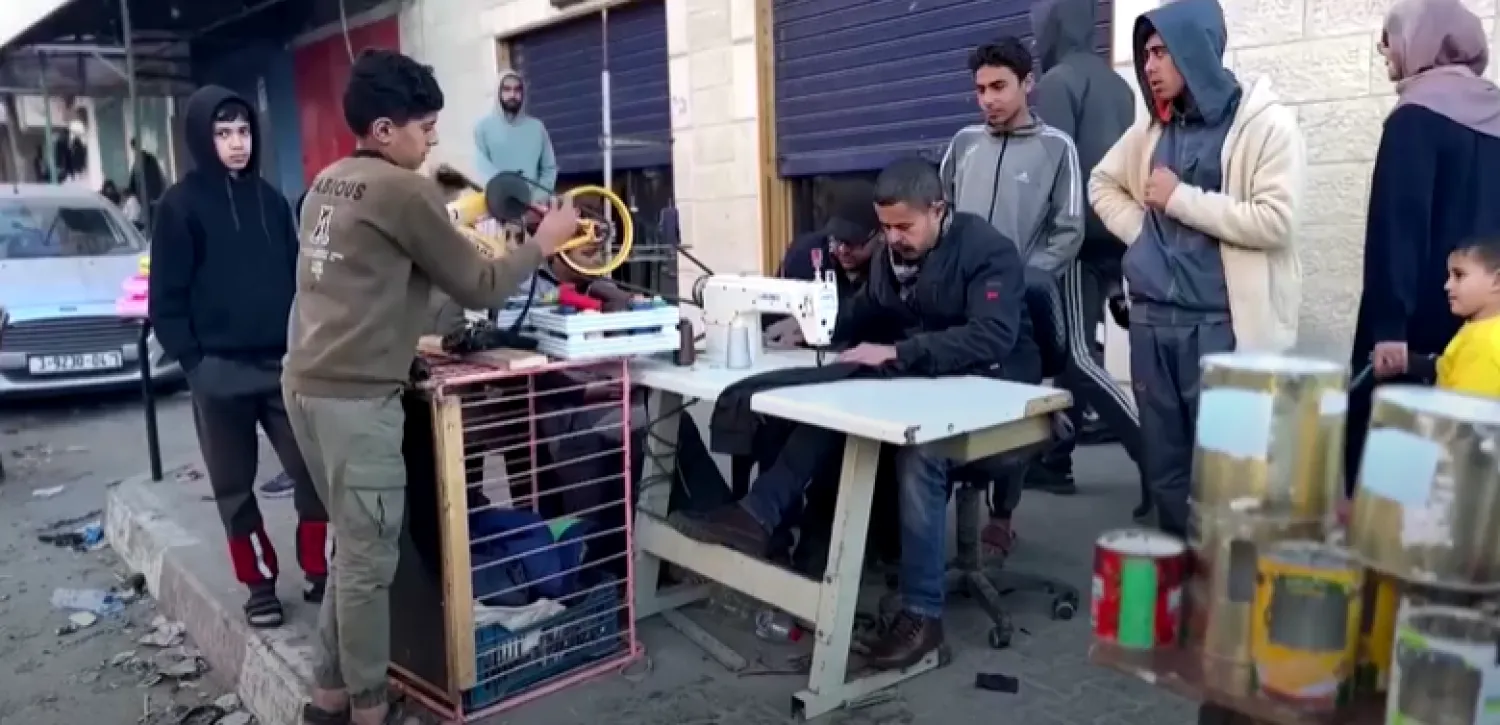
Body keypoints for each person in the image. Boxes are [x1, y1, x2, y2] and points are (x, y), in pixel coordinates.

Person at [284, 49, 576, 725]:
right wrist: (543, 242)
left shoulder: (329, 181)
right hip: (357, 401)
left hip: (307, 384)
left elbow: (362, 288)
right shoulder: (404, 191)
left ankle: (327, 700)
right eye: (425, 126)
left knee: (350, 548)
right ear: (385, 130)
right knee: (367, 564)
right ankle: (368, 709)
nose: (435, 138)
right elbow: (477, 284)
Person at [674, 157, 1039, 670]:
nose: (892, 239)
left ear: (938, 210)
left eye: (904, 226)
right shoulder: (895, 258)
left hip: (1003, 397)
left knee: (921, 452)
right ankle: (757, 516)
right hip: (939, 385)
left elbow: (992, 335)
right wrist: (814, 329)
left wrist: (897, 353)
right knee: (833, 399)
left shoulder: (987, 251)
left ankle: (923, 617)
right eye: (885, 227)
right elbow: (867, 309)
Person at [1088, 0, 1303, 537]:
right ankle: (1176, 593)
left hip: (1221, 327)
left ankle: (1221, 600)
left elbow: (1276, 221)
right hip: (1152, 324)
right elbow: (1101, 184)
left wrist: (1181, 199)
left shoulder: (1264, 125)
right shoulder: (1153, 129)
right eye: (1145, 54)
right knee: (1164, 470)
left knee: (1227, 473)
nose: (1150, 66)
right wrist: (1141, 238)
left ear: (1198, 47)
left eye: (1161, 52)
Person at [147, 86, 330, 629]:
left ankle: (318, 569)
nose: (236, 143)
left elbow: (298, 279)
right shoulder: (179, 207)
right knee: (233, 487)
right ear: (204, 138)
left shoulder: (272, 201)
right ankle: (259, 585)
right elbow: (166, 297)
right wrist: (193, 362)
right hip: (217, 373)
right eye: (223, 133)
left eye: (243, 132)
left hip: (280, 368)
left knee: (312, 472)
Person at [1346, 0, 1500, 493]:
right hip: (1484, 323)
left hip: (1414, 332)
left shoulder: (1413, 118)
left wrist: (1389, 328)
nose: (1382, 47)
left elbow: (1397, 230)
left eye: (1390, 36)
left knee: (1396, 473)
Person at [938, 36, 1082, 553]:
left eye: (999, 87)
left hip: (1020, 311)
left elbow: (1068, 231)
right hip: (959, 309)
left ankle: (1003, 514)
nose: (988, 99)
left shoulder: (1057, 148)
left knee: (1010, 415)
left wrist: (1021, 282)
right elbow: (942, 216)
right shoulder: (962, 144)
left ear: (1027, 84)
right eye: (979, 89)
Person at [1027, 0, 1147, 514]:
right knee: (1077, 348)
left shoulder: (1057, 82)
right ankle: (1055, 459)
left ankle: (1156, 454)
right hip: (1114, 233)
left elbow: (1051, 166)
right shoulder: (1119, 84)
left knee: (1074, 354)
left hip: (1074, 239)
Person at [764, 181, 881, 347]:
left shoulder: (889, 270)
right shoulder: (804, 255)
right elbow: (772, 313)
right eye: (835, 239)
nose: (842, 250)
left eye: (853, 243)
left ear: (880, 236)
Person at [473, 69, 557, 200]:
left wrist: (535, 199)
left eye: (517, 90)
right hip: (497, 206)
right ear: (498, 93)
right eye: (506, 89)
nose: (512, 94)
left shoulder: (537, 128)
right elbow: (482, 169)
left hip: (534, 208)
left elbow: (549, 169)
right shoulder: (483, 128)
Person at [124, 137, 167, 227]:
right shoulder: (143, 160)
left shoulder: (146, 160)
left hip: (149, 197)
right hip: (147, 197)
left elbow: (154, 178)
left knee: (151, 220)